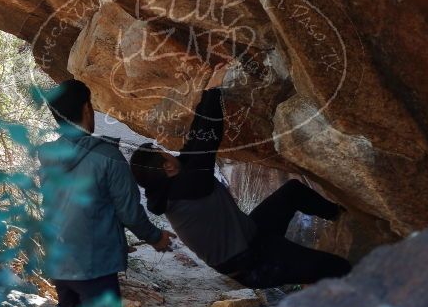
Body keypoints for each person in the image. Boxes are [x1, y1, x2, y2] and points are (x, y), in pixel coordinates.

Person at [30, 79, 174, 307]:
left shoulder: (48, 155)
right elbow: (129, 212)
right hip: (95, 263)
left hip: (60, 258)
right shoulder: (107, 157)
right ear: (86, 110)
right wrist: (156, 237)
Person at [129, 78, 351, 289]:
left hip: (253, 235)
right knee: (339, 267)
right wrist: (214, 92)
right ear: (168, 168)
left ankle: (342, 218)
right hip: (254, 263)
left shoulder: (174, 184)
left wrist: (209, 92)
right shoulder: (186, 189)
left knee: (292, 192)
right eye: (165, 154)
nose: (170, 154)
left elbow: (194, 142)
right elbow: (208, 138)